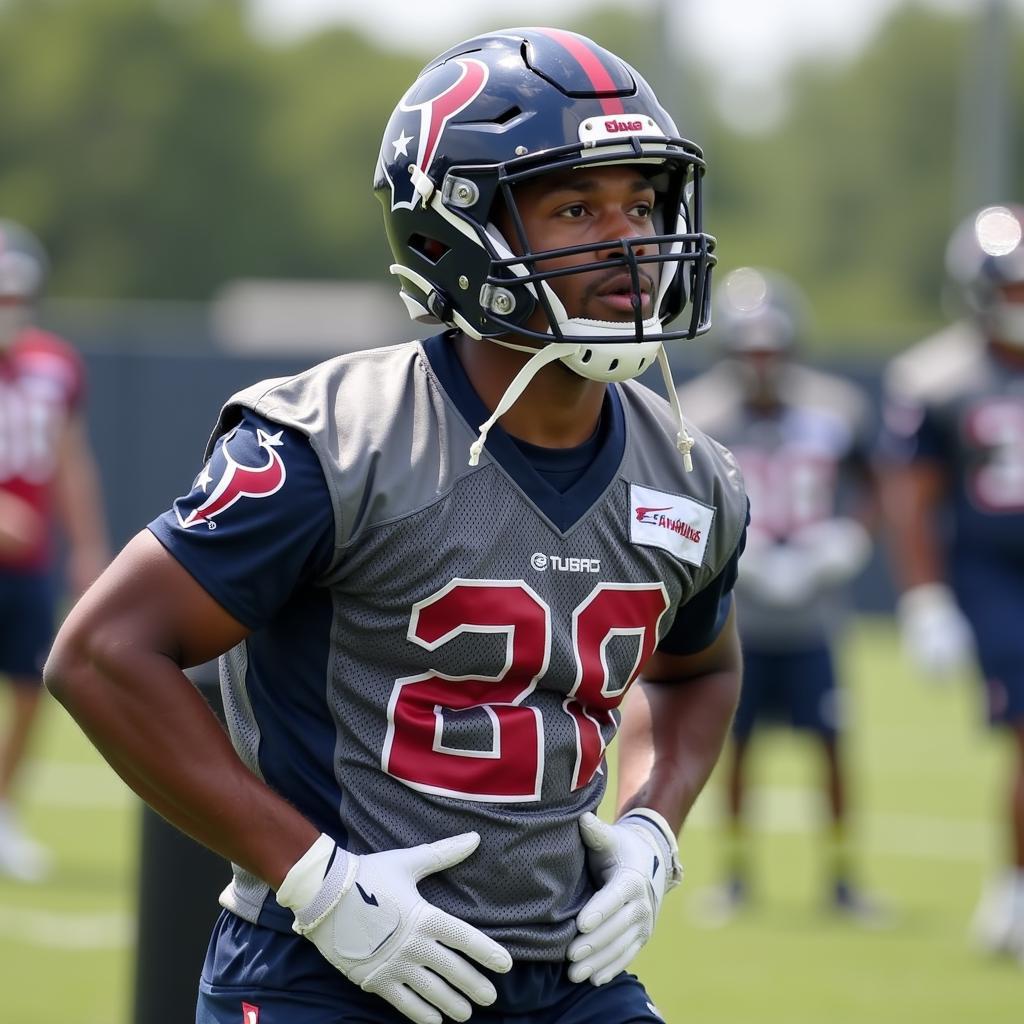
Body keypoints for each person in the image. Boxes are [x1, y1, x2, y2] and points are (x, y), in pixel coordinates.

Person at [45, 27, 747, 1024]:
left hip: (566, 978)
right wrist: (318, 881)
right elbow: (103, 652)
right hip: (325, 970)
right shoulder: (336, 442)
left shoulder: (690, 471)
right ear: (453, 230)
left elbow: (700, 670)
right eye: (578, 207)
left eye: (643, 203)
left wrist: (651, 826)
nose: (630, 241)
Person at [675, 267, 880, 923]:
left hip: (815, 608)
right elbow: (678, 495)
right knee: (738, 745)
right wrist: (733, 552)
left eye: (772, 348)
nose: (762, 363)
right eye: (750, 349)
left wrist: (849, 533)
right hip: (739, 609)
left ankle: (844, 879)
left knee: (830, 742)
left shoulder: (834, 410)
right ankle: (735, 877)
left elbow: (879, 484)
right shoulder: (702, 413)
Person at [878, 202, 1024, 960]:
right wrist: (926, 597)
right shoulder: (937, 377)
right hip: (993, 570)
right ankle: (1014, 895)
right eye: (1013, 292)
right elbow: (911, 498)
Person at [0, 219, 108, 882]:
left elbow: (71, 460)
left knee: (34, 689)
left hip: (30, 564)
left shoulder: (55, 365)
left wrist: (89, 545)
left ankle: (3, 810)